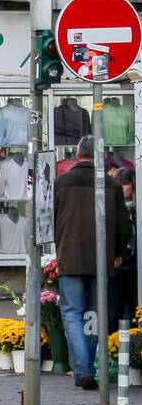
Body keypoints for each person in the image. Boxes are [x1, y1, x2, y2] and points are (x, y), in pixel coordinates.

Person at [54, 137, 131, 389]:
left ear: (77, 156)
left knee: (72, 313)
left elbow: (49, 220)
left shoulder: (61, 183)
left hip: (71, 257)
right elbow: (123, 227)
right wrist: (117, 253)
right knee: (95, 314)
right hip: (102, 259)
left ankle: (84, 370)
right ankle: (88, 369)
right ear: (99, 158)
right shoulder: (111, 185)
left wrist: (58, 246)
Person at [114, 167, 138, 334]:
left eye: (126, 184)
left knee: (135, 307)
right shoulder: (112, 209)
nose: (123, 188)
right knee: (115, 309)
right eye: (119, 185)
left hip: (136, 265)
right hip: (118, 265)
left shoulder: (137, 209)